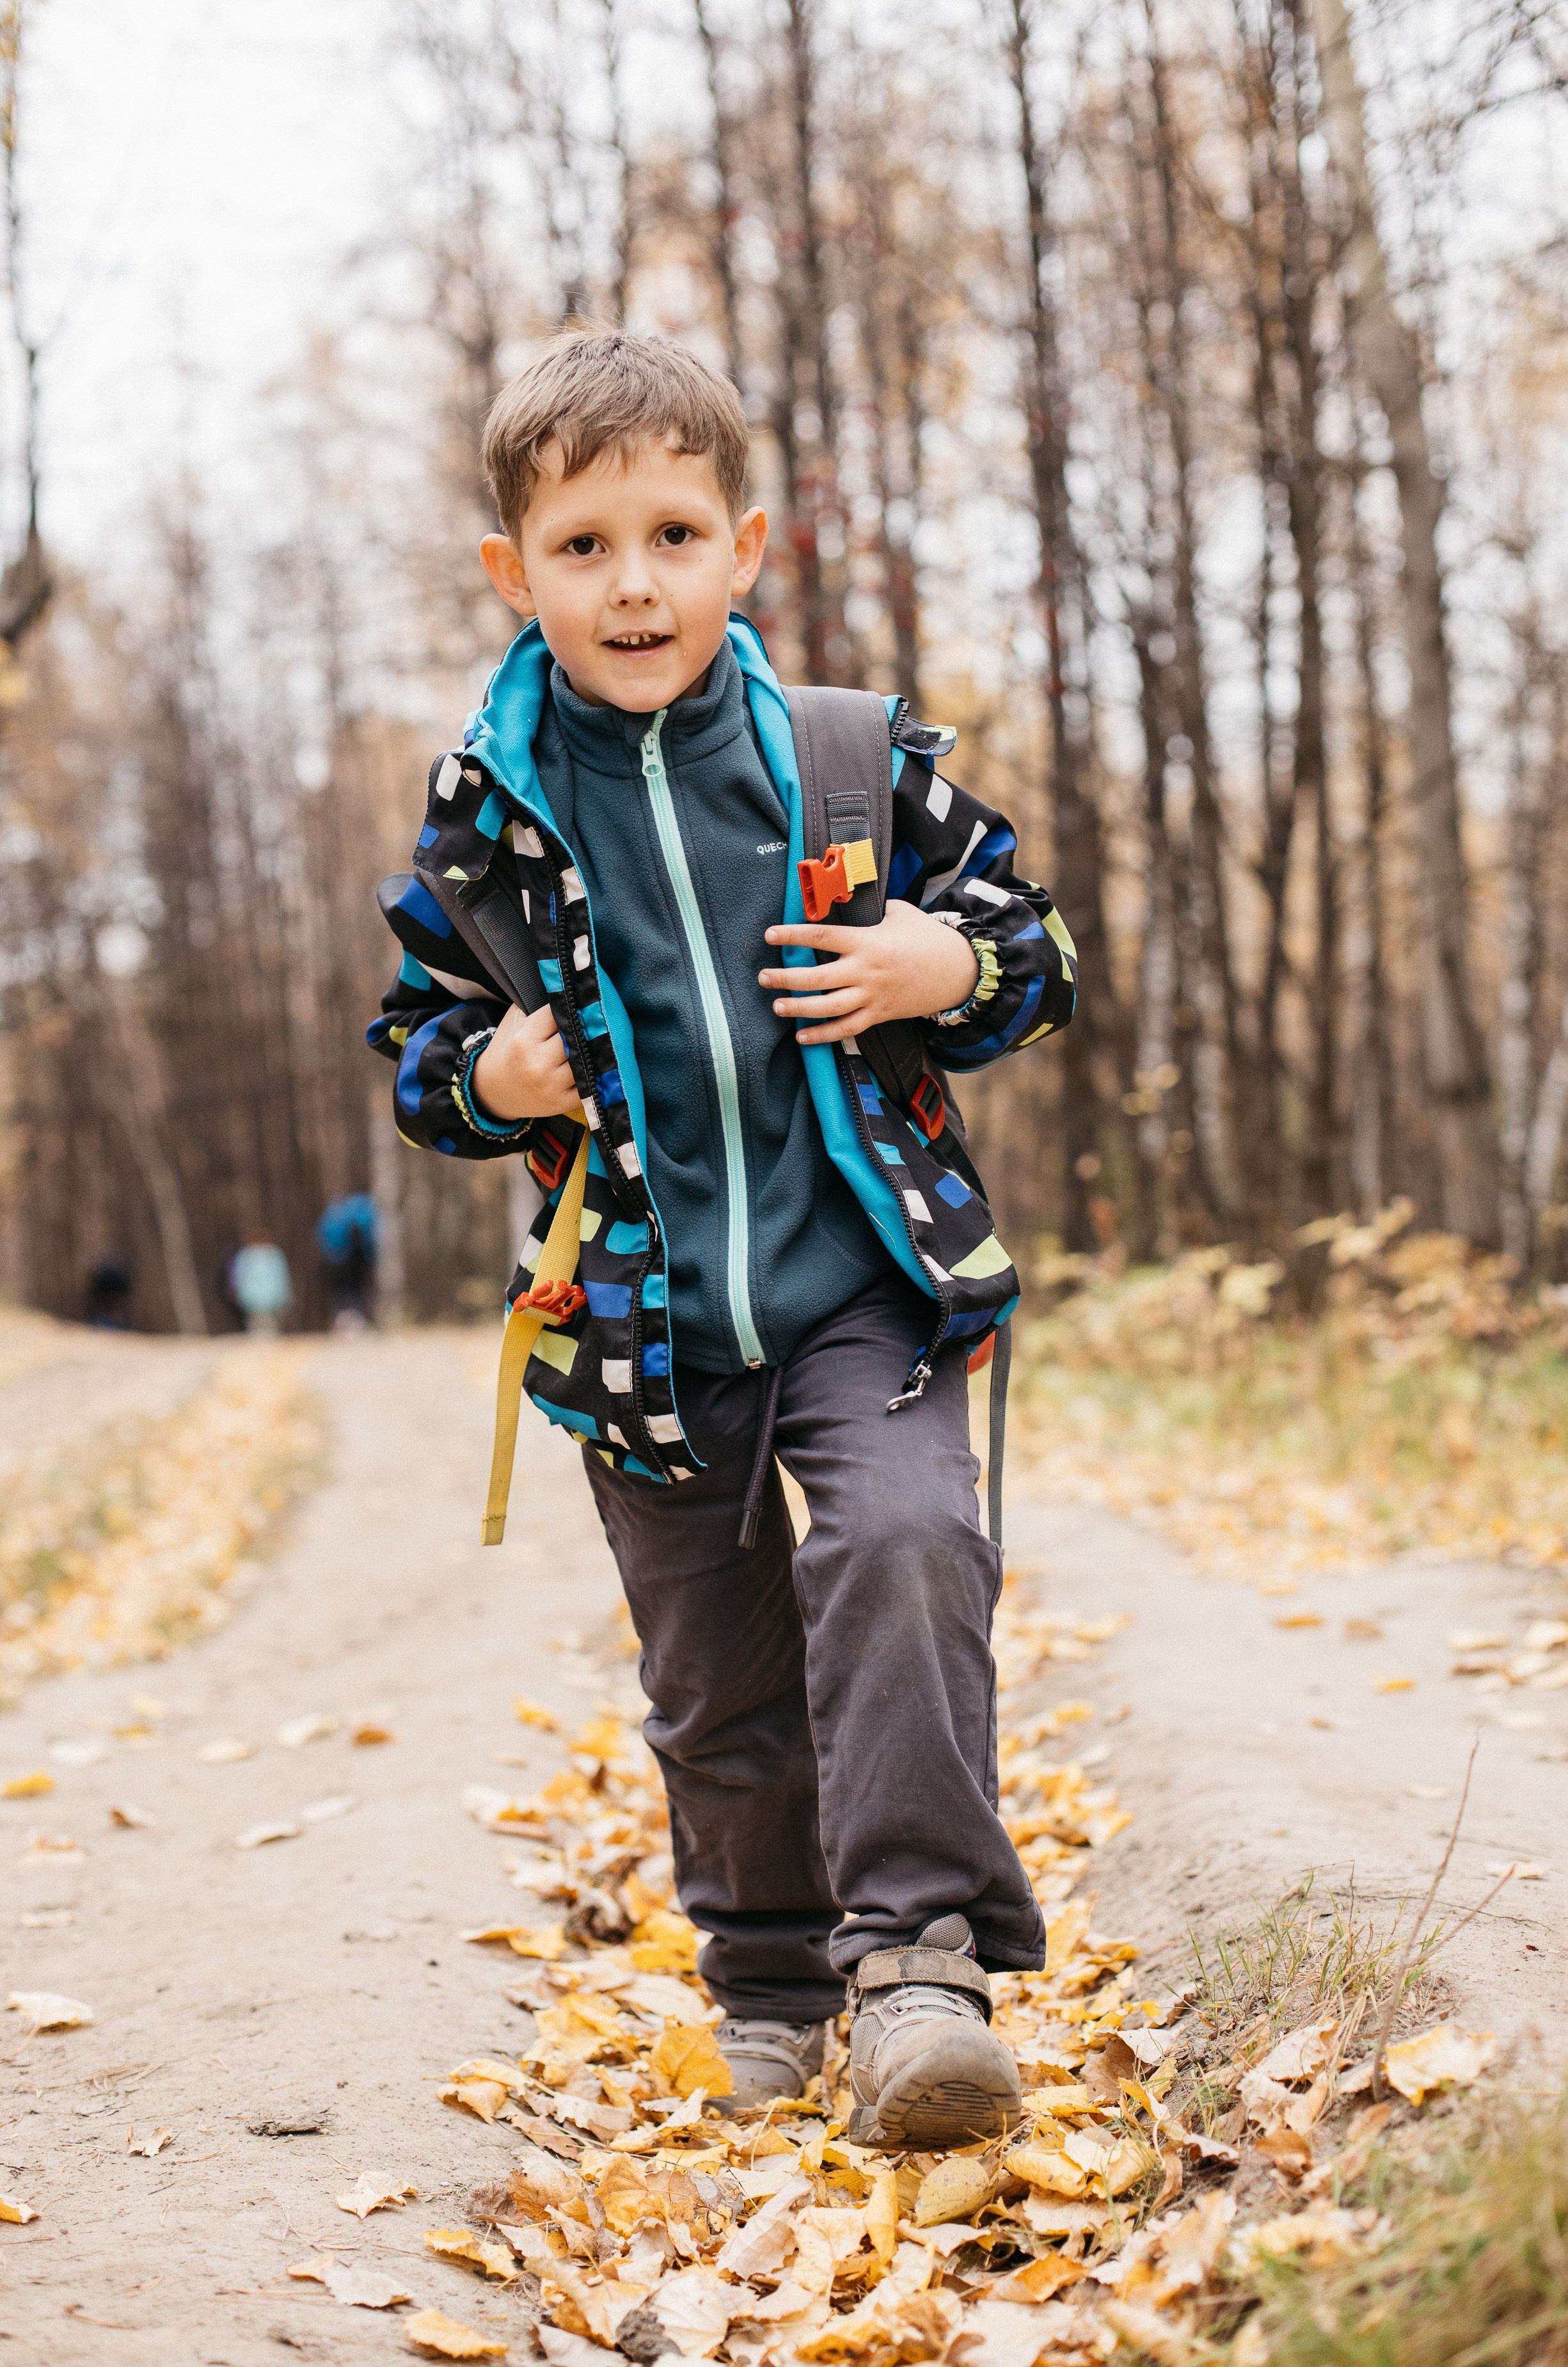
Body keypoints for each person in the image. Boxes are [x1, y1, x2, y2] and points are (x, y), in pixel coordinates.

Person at [367, 331, 1078, 2149]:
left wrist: (948, 962)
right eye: (586, 545)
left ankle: (917, 1958)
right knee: (718, 1676)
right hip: (636, 1321)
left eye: (674, 533)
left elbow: (1031, 945)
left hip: (869, 1288)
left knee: (909, 1545)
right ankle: (768, 1980)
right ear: (512, 574)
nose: (634, 581)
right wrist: (495, 1076)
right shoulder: (487, 822)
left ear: (744, 546)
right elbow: (418, 1054)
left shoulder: (849, 758)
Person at [315, 1192, 377, 1332]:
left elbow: (319, 1237)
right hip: (357, 1261)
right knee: (357, 1290)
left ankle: (344, 1321)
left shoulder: (330, 1215)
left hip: (334, 1261)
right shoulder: (361, 1213)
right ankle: (357, 1320)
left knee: (341, 1292)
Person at [230, 1238, 292, 1338]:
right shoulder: (274, 1254)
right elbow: (280, 1277)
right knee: (266, 1323)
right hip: (268, 1299)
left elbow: (239, 1277)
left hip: (254, 1299)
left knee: (258, 1323)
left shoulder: (246, 1255)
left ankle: (260, 1341)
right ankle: (266, 1341)